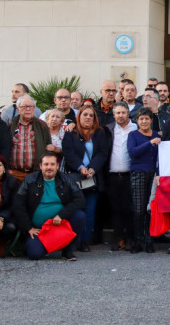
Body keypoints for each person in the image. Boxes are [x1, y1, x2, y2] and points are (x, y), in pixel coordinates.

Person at [12, 153, 86, 261]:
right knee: (34, 254)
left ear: (57, 166)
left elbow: (80, 200)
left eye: (52, 164)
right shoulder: (29, 180)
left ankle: (67, 250)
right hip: (39, 230)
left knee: (80, 216)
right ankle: (48, 244)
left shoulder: (66, 179)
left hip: (61, 225)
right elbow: (18, 204)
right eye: (46, 164)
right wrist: (28, 228)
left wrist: (61, 215)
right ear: (41, 166)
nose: (49, 167)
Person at [61, 105, 109, 252]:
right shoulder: (71, 133)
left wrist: (92, 168)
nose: (88, 117)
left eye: (91, 115)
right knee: (76, 210)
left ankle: (84, 241)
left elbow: (102, 153)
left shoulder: (100, 133)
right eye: (85, 115)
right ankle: (73, 240)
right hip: (75, 178)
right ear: (79, 117)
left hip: (92, 179)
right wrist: (80, 167)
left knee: (90, 210)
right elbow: (68, 152)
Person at [127, 107, 161, 254]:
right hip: (138, 173)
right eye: (141, 119)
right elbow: (133, 153)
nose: (144, 121)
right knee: (139, 209)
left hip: (153, 174)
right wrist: (150, 143)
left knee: (150, 209)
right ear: (137, 121)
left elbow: (161, 156)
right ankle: (138, 240)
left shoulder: (156, 135)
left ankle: (149, 240)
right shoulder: (133, 135)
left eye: (147, 118)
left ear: (151, 120)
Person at [105, 103, 136, 251]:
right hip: (112, 175)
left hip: (130, 175)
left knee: (129, 209)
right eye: (118, 113)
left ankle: (131, 238)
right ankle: (119, 238)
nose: (121, 115)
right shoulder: (108, 129)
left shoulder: (136, 128)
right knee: (115, 209)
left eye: (123, 112)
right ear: (113, 115)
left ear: (128, 113)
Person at [9, 95, 52, 182]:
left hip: (36, 174)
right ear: (18, 109)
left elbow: (48, 149)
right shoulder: (11, 126)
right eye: (24, 107)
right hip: (15, 174)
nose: (28, 109)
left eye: (31, 106)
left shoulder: (42, 126)